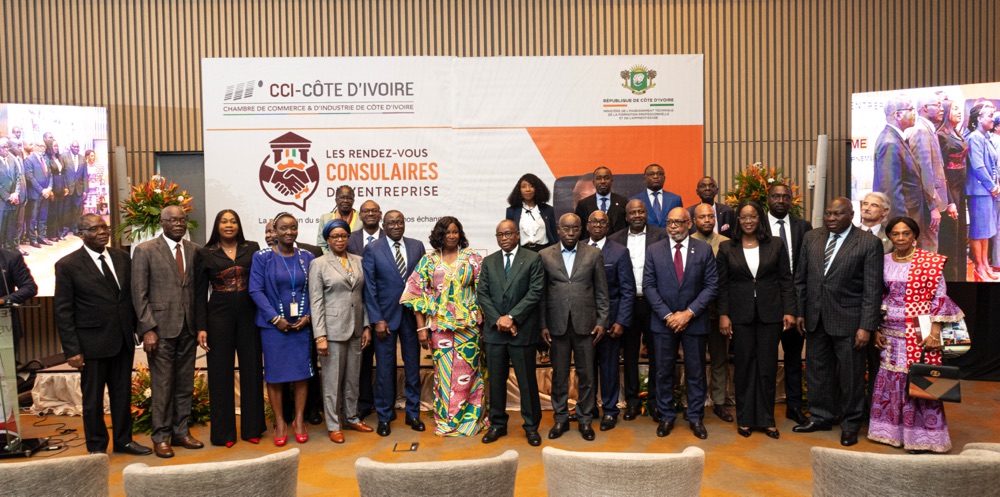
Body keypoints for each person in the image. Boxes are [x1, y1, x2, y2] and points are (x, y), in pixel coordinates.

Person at [53, 214, 151, 456]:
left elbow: (130, 298)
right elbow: (63, 311)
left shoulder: (122, 257)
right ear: (81, 234)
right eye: (94, 229)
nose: (102, 232)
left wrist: (139, 329)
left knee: (122, 395)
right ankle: (96, 447)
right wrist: (72, 350)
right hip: (91, 344)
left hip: (122, 340)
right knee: (93, 400)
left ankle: (123, 441)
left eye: (104, 227)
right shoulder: (68, 265)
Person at [792, 198, 883, 447]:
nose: (831, 218)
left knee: (851, 376)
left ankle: (850, 424)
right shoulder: (812, 237)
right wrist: (800, 312)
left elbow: (872, 289)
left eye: (838, 214)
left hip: (850, 322)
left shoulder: (868, 243)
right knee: (817, 371)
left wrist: (866, 326)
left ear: (851, 215)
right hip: (815, 319)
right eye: (828, 213)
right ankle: (820, 416)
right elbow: (801, 279)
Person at [868, 216, 964, 453]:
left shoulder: (929, 261)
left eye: (906, 233)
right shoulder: (883, 261)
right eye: (895, 234)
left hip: (921, 328)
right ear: (889, 237)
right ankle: (891, 433)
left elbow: (940, 297)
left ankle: (923, 438)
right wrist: (876, 329)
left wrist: (934, 332)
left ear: (914, 236)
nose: (900, 238)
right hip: (890, 331)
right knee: (892, 381)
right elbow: (878, 295)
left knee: (922, 380)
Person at [400, 216, 486, 436]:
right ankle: (447, 422)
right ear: (440, 234)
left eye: (455, 232)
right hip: (440, 329)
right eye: (447, 232)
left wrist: (485, 325)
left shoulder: (472, 258)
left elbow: (485, 292)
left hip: (469, 329)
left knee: (469, 374)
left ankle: (470, 420)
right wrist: (421, 329)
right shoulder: (429, 261)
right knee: (444, 375)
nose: (451, 236)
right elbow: (415, 294)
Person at [716, 201, 795, 439]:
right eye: (743, 217)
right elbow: (722, 285)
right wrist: (723, 314)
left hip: (770, 314)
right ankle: (745, 419)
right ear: (737, 220)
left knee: (767, 367)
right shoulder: (727, 247)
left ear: (760, 218)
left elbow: (785, 280)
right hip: (740, 316)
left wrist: (789, 310)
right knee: (744, 366)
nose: (748, 221)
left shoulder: (776, 244)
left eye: (752, 216)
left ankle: (767, 419)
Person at [131, 205, 204, 458]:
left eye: (182, 220)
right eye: (172, 220)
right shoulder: (145, 250)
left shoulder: (195, 250)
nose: (178, 224)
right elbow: (139, 293)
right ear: (161, 223)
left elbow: (197, 291)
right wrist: (148, 329)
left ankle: (181, 432)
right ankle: (161, 437)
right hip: (160, 330)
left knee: (185, 384)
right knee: (162, 385)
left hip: (188, 328)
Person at [643, 207, 718, 439]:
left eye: (678, 222)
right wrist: (668, 315)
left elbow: (711, 286)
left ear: (689, 224)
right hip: (663, 323)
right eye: (670, 222)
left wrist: (688, 313)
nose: (673, 226)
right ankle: (666, 416)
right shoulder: (654, 250)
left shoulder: (703, 250)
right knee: (663, 371)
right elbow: (648, 286)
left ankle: (695, 417)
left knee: (695, 372)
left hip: (694, 322)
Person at [193, 209, 265, 447]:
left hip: (249, 315)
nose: (229, 225)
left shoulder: (252, 248)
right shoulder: (205, 252)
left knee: (252, 370)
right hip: (217, 317)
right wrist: (201, 326)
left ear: (238, 225)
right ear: (217, 226)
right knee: (220, 373)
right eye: (224, 221)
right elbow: (199, 293)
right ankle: (224, 433)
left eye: (233, 221)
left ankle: (253, 428)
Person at [540, 213, 609, 441]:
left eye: (575, 228)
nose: (570, 233)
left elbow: (601, 292)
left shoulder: (593, 254)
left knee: (586, 375)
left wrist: (602, 321)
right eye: (566, 228)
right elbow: (541, 294)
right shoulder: (545, 255)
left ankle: (585, 419)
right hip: (556, 325)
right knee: (559, 375)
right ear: (558, 229)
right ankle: (560, 419)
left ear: (582, 230)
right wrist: (543, 324)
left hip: (586, 325)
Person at [249, 212, 316, 446]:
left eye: (293, 227)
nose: (289, 232)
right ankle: (280, 422)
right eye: (284, 228)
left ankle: (299, 419)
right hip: (273, 328)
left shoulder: (307, 257)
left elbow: (314, 290)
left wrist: (308, 316)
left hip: (301, 326)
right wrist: (275, 318)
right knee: (275, 376)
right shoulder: (262, 257)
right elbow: (255, 290)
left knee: (302, 374)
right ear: (274, 231)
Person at [477, 219, 545, 446]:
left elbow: (535, 292)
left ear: (517, 235)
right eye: (500, 235)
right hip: (495, 333)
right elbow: (482, 294)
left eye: (508, 234)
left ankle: (531, 426)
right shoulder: (489, 262)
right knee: (496, 382)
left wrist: (512, 317)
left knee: (527, 382)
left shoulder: (533, 259)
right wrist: (499, 320)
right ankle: (497, 424)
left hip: (522, 331)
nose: (504, 238)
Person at [309, 219, 374, 444]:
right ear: (327, 239)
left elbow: (363, 297)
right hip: (332, 331)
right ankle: (334, 424)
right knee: (332, 381)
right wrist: (320, 336)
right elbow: (316, 302)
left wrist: (366, 325)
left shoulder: (359, 261)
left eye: (343, 235)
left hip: (356, 328)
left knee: (353, 379)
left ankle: (351, 417)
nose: (339, 240)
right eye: (335, 236)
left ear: (348, 237)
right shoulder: (319, 264)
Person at [362, 210, 426, 436]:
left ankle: (413, 413)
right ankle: (384, 416)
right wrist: (377, 319)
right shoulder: (372, 249)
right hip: (385, 319)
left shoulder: (417, 246)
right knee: (384, 370)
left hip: (411, 317)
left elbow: (423, 283)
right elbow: (369, 287)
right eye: (391, 223)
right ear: (384, 225)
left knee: (412, 368)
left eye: (400, 222)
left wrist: (423, 321)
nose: (396, 226)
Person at [608, 199, 667, 422]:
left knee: (657, 354)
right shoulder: (615, 239)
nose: (637, 215)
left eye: (641, 211)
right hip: (627, 304)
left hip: (654, 303)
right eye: (632, 212)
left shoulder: (660, 236)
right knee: (630, 355)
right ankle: (632, 402)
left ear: (646, 214)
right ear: (626, 216)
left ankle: (654, 401)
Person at [764, 183, 813, 425]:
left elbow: (807, 266)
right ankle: (764, 408)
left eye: (785, 197)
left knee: (793, 358)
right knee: (766, 358)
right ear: (768, 199)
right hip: (767, 302)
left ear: (791, 200)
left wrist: (798, 306)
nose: (781, 200)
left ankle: (794, 406)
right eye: (776, 196)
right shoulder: (758, 224)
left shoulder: (803, 227)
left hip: (795, 301)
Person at [585, 210, 634, 431]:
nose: (597, 225)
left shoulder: (620, 251)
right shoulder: (579, 248)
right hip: (584, 321)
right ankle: (589, 408)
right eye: (593, 222)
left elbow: (627, 290)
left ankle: (610, 411)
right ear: (587, 225)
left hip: (611, 321)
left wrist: (621, 321)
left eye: (602, 222)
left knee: (609, 367)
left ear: (608, 226)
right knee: (586, 368)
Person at [690, 203, 733, 423]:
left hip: (718, 311)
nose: (707, 220)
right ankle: (694, 402)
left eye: (710, 216)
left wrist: (726, 312)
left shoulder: (726, 243)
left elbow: (728, 281)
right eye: (702, 217)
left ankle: (719, 402)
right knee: (694, 360)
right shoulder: (687, 242)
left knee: (719, 358)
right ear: (694, 221)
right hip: (693, 313)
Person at [347, 199, 383, 420]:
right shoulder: (349, 239)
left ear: (380, 214)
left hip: (384, 308)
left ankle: (384, 403)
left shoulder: (390, 238)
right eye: (365, 211)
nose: (370, 214)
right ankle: (364, 402)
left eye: (374, 210)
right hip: (358, 308)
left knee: (385, 360)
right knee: (362, 360)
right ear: (359, 215)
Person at [903, 93, 949, 252]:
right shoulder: (921, 131)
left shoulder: (929, 130)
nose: (941, 109)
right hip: (926, 203)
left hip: (930, 201)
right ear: (925, 108)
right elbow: (924, 172)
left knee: (930, 246)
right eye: (937, 105)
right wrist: (933, 206)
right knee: (928, 247)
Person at [964, 102, 999, 281]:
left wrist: (995, 184)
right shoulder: (975, 137)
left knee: (986, 231)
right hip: (979, 191)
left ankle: (985, 264)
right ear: (979, 118)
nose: (993, 119)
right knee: (978, 231)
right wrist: (992, 186)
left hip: (988, 191)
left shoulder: (985, 137)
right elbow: (978, 166)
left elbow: (993, 164)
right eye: (989, 116)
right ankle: (979, 266)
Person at [873, 95, 920, 221]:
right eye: (910, 109)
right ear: (898, 115)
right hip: (904, 217)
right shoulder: (890, 143)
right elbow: (891, 191)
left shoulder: (896, 138)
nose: (914, 113)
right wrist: (901, 223)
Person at [937, 101, 969, 281]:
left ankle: (961, 279)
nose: (959, 112)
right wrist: (949, 200)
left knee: (960, 237)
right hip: (950, 191)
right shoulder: (941, 135)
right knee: (950, 238)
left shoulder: (957, 133)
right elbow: (940, 171)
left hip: (960, 189)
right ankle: (951, 280)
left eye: (959, 108)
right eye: (955, 109)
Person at [505, 173, 558, 252]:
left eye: (531, 186)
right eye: (524, 186)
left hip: (545, 251)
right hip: (522, 252)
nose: (528, 189)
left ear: (537, 189)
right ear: (519, 190)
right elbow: (509, 236)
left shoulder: (548, 210)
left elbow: (555, 235)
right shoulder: (512, 211)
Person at [574, 167, 629, 239]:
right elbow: (579, 229)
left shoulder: (623, 202)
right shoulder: (583, 204)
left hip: (617, 244)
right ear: (594, 182)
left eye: (606, 178)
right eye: (599, 178)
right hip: (591, 245)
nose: (603, 181)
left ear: (611, 181)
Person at [631, 164, 682, 229]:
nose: (655, 177)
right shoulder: (634, 201)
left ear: (664, 178)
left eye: (659, 174)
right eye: (651, 174)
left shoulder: (675, 199)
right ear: (644, 179)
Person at [316, 185, 362, 252]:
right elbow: (321, 245)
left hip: (356, 257)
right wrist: (331, 257)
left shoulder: (361, 217)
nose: (345, 200)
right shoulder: (325, 218)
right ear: (336, 200)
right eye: (342, 197)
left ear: (353, 200)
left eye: (349, 198)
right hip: (331, 257)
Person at [24, 139, 52, 248]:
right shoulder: (29, 159)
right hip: (35, 194)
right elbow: (30, 177)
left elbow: (50, 175)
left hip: (46, 193)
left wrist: (49, 188)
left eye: (44, 147)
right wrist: (41, 190)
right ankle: (33, 239)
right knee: (33, 218)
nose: (42, 148)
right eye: (40, 146)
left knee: (43, 217)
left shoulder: (45, 159)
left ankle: (42, 237)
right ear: (35, 147)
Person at [60, 141, 88, 237]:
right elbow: (61, 173)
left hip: (79, 188)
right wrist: (64, 187)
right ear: (70, 147)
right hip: (67, 188)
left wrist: (85, 190)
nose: (77, 148)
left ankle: (76, 229)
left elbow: (85, 175)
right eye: (75, 147)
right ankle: (65, 228)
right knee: (66, 209)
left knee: (78, 210)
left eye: (78, 147)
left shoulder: (82, 158)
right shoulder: (64, 156)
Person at [0, 139, 20, 252]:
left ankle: (9, 250)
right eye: (4, 147)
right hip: (2, 201)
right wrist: (8, 197)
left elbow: (18, 177)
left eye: (7, 147)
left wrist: (16, 193)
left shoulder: (12, 160)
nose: (6, 149)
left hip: (13, 199)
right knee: (1, 227)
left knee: (10, 227)